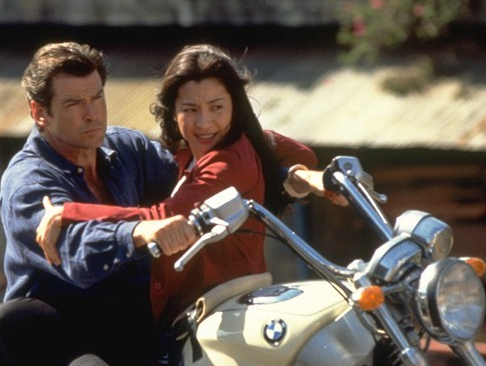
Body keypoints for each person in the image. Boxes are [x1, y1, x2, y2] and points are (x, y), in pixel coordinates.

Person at [0, 41, 329, 366]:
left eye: (97, 97)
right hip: (59, 332)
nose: (92, 113)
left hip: (135, 326)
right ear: (40, 112)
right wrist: (137, 231)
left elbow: (204, 167)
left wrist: (294, 173)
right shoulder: (28, 181)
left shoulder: (124, 149)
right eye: (74, 103)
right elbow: (77, 251)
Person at [35, 43, 343, 329]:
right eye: (190, 110)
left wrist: (70, 212)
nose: (204, 123)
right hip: (194, 302)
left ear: (235, 107)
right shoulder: (196, 150)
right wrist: (302, 175)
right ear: (173, 111)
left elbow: (164, 217)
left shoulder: (226, 164)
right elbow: (291, 149)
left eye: (217, 107)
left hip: (215, 312)